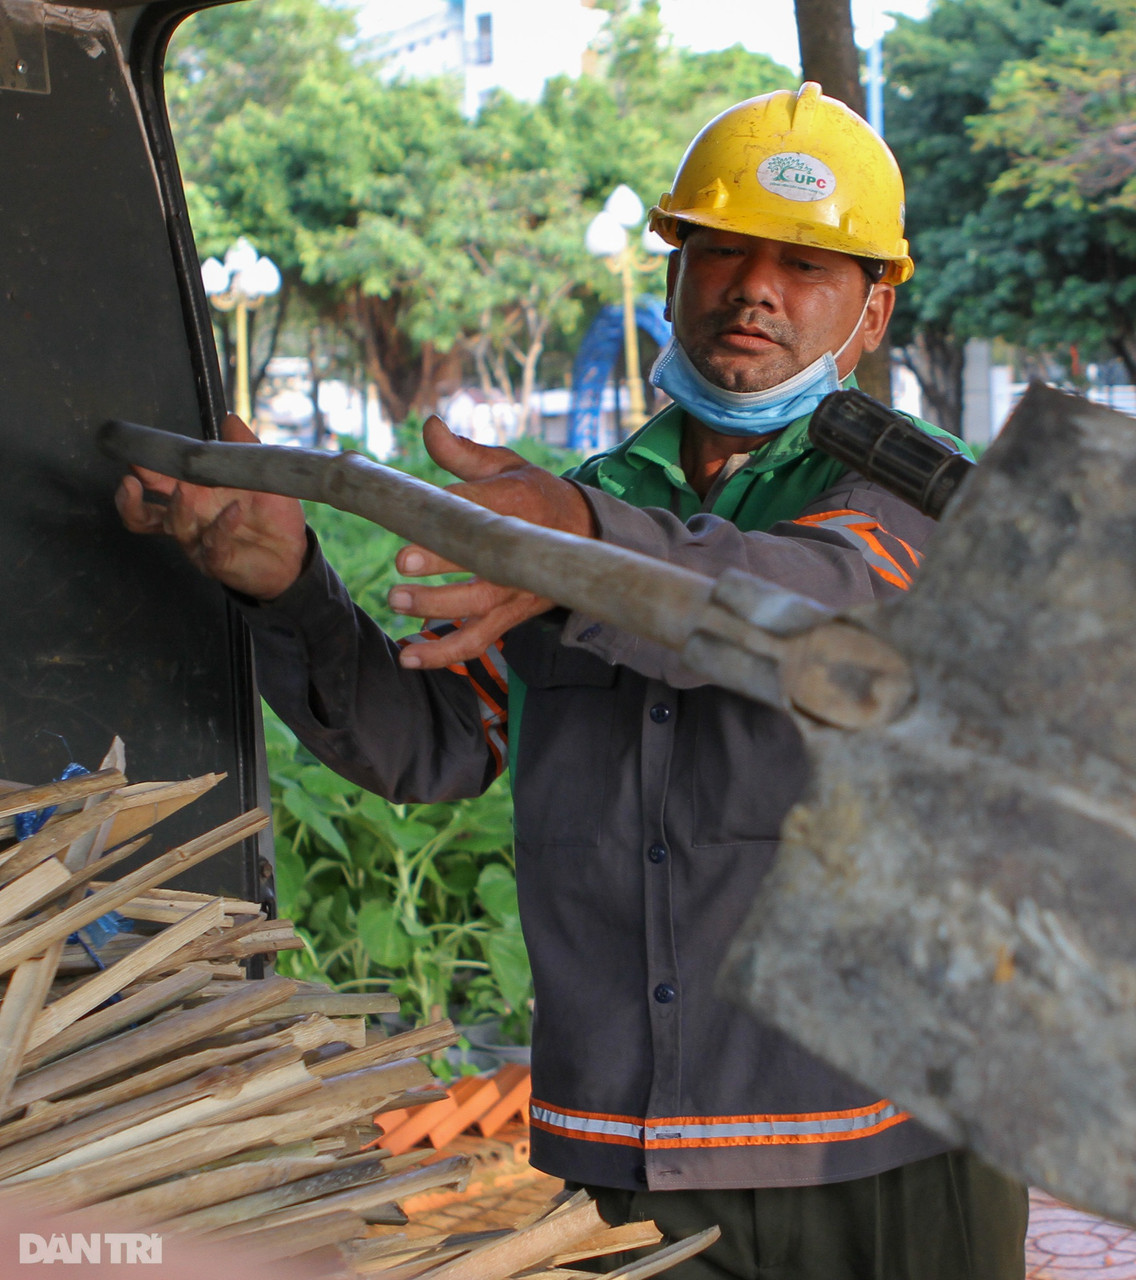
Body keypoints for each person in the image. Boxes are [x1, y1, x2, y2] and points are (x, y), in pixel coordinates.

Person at [115, 82, 1027, 1280]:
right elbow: (434, 741)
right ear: (674, 270)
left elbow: (804, 608)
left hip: (880, 1148)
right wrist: (285, 582)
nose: (758, 287)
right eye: (724, 249)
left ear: (873, 307)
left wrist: (573, 544)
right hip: (625, 1154)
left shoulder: (929, 501)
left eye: (808, 263)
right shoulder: (583, 509)